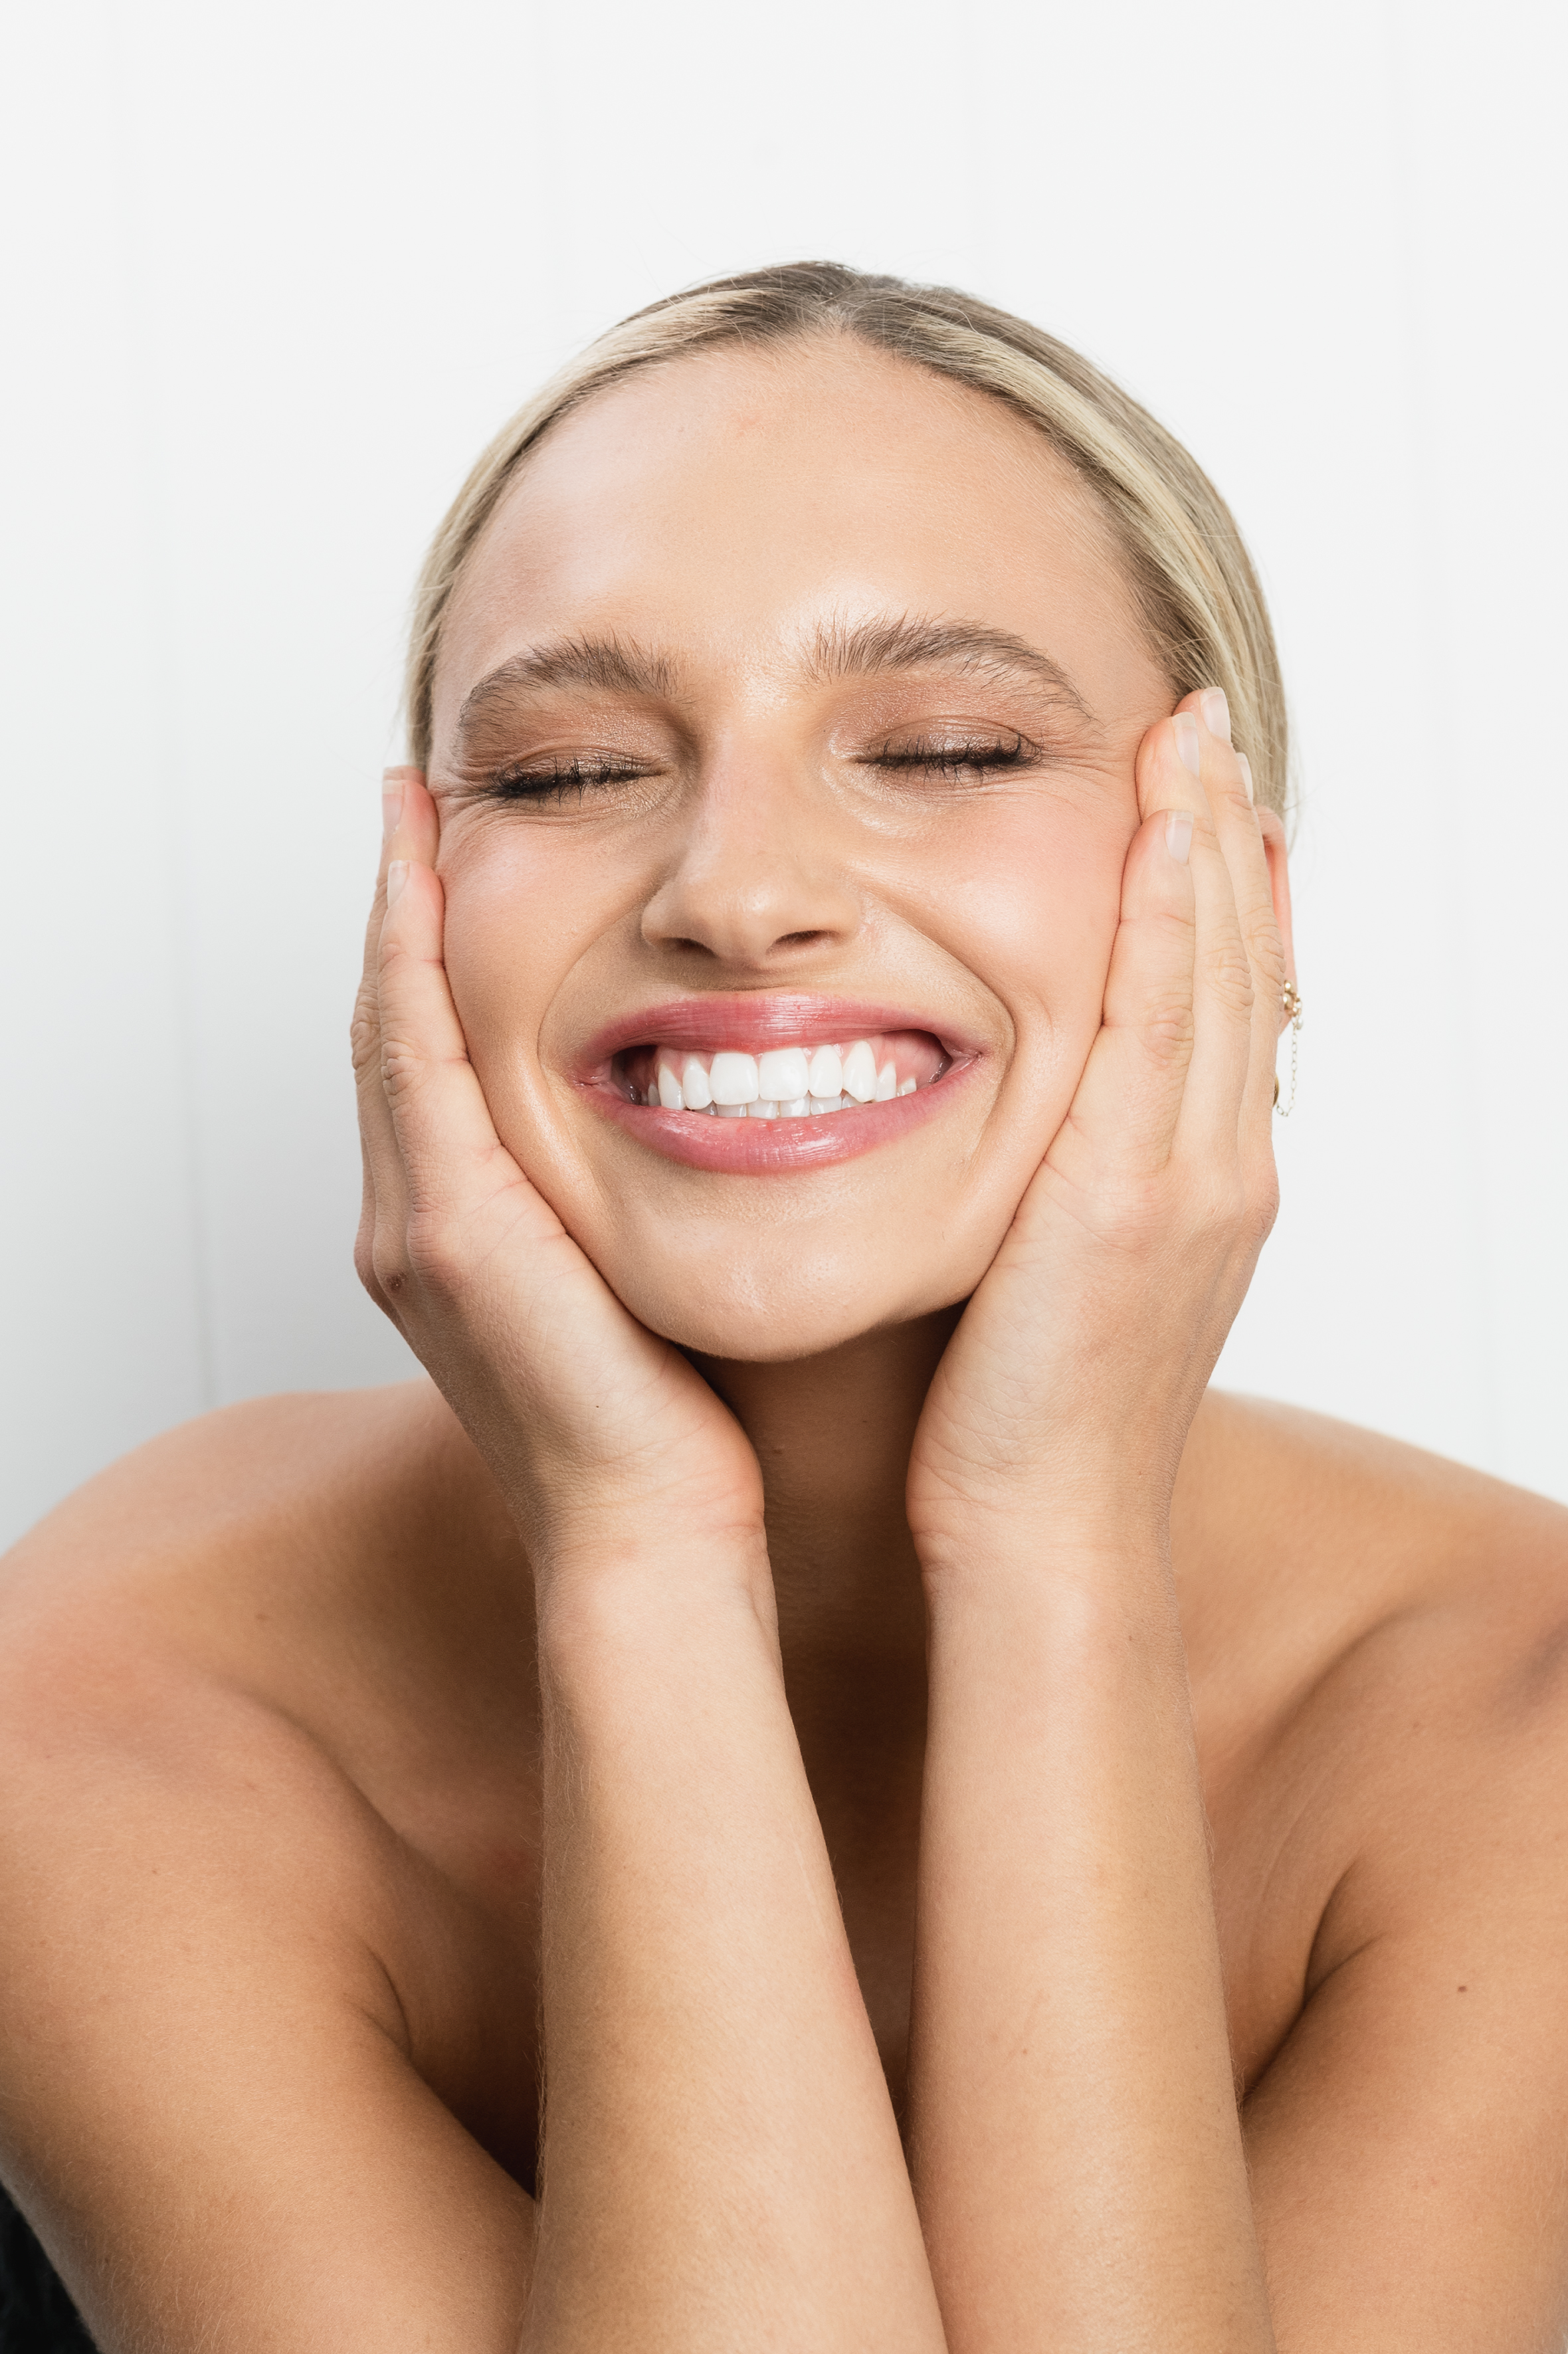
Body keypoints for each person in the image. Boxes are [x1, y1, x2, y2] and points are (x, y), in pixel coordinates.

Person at [1, 262, 1565, 2354]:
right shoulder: (113, 1699)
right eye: (566, 775)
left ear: (1235, 900)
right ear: (419, 911)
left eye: (942, 745)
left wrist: (1048, 1543)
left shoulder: (1521, 1716)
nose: (737, 895)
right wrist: (638, 1555)